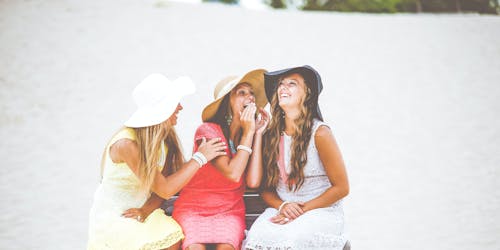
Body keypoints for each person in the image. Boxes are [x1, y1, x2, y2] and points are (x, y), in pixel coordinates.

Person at [87, 74, 227, 250]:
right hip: (116, 217)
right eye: (175, 103)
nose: (181, 107)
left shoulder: (165, 139)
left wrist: (145, 210)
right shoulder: (127, 145)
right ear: (163, 109)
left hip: (144, 209)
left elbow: (166, 184)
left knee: (172, 237)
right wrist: (200, 157)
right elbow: (166, 188)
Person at [244, 66, 349, 250]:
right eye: (281, 85)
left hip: (319, 210)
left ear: (307, 94)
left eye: (292, 84)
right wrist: (283, 205)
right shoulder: (271, 135)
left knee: (295, 237)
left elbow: (341, 188)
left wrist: (301, 210)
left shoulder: (320, 134)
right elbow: (265, 188)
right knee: (257, 235)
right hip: (282, 209)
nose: (284, 88)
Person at [172, 69, 270, 250]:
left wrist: (257, 134)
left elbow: (253, 181)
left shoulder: (246, 137)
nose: (250, 98)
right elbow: (232, 173)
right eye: (241, 93)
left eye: (251, 93)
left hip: (228, 211)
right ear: (227, 103)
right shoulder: (208, 131)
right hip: (194, 210)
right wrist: (248, 133)